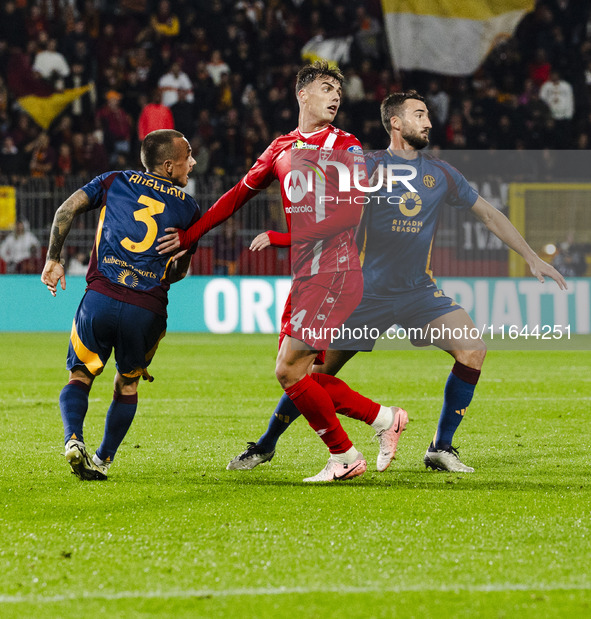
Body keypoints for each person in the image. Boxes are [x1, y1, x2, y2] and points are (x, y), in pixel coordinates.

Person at [226, 91, 568, 473]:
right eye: (419, 115)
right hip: (361, 292)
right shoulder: (364, 166)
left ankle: (441, 447)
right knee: (312, 377)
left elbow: (488, 214)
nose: (429, 122)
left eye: (428, 116)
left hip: (417, 291)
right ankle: (266, 444)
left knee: (472, 349)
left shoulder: (440, 173)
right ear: (396, 123)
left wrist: (531, 256)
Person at [157, 61, 407, 483]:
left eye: (339, 92)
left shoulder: (348, 146)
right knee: (302, 376)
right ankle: (384, 418)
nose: (335, 97)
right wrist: (190, 236)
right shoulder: (281, 148)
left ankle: (343, 455)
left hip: (337, 270)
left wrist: (282, 237)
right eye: (326, 88)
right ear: (302, 94)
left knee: (287, 371)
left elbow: (351, 214)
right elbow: (236, 196)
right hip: (306, 275)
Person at [41, 129, 199, 481]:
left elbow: (65, 209)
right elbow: (176, 274)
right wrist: (178, 259)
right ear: (169, 165)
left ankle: (73, 439)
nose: (194, 161)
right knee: (127, 384)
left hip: (100, 298)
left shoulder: (114, 180)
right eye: (188, 155)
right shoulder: (189, 208)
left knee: (79, 376)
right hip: (146, 309)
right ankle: (102, 459)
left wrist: (53, 259)